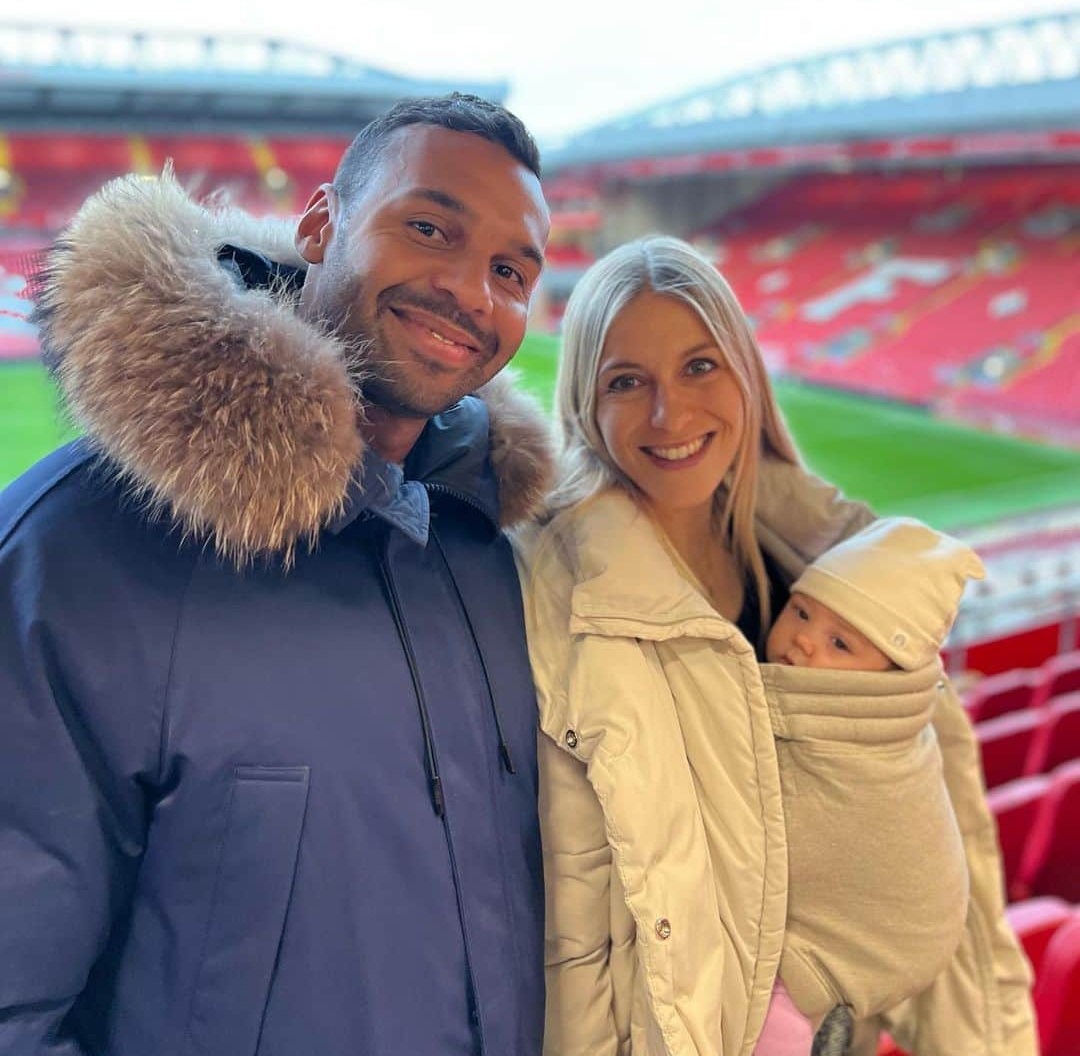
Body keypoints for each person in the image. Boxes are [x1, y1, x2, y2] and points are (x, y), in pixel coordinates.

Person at [0, 94, 554, 1055]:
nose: (473, 290)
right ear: (318, 223)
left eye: (511, 269)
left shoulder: (488, 548)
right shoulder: (78, 549)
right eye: (430, 227)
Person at [518, 235, 1035, 1055]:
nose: (671, 415)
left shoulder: (824, 572)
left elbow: (939, 835)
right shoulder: (554, 599)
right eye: (627, 381)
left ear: (747, 374)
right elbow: (574, 910)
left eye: (699, 366)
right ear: (585, 402)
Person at [755, 517, 982, 1052]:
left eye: (840, 642)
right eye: (801, 611)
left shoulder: (874, 734)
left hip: (826, 965)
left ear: (888, 675)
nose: (805, 641)